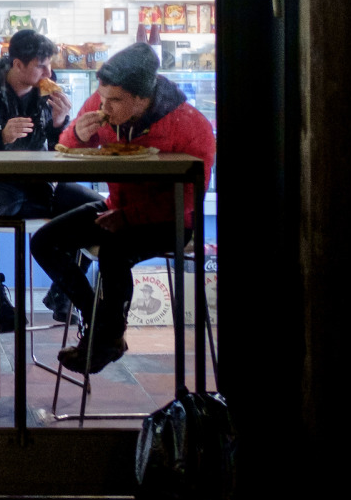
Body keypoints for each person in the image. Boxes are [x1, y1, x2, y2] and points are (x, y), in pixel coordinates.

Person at [30, 42, 216, 373]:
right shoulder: (102, 104)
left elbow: (189, 197)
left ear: (143, 98)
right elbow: (68, 146)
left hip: (172, 219)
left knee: (114, 252)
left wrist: (130, 217)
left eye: (115, 100)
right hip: (117, 207)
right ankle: (96, 316)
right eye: (103, 97)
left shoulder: (189, 125)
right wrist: (77, 133)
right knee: (44, 242)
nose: (105, 105)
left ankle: (107, 339)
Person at [0, 29, 98, 331]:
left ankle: (63, 293)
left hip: (40, 185)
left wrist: (60, 124)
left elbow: (60, 147)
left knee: (99, 211)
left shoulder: (46, 95)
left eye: (50, 65)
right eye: (41, 66)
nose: (49, 72)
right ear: (18, 65)